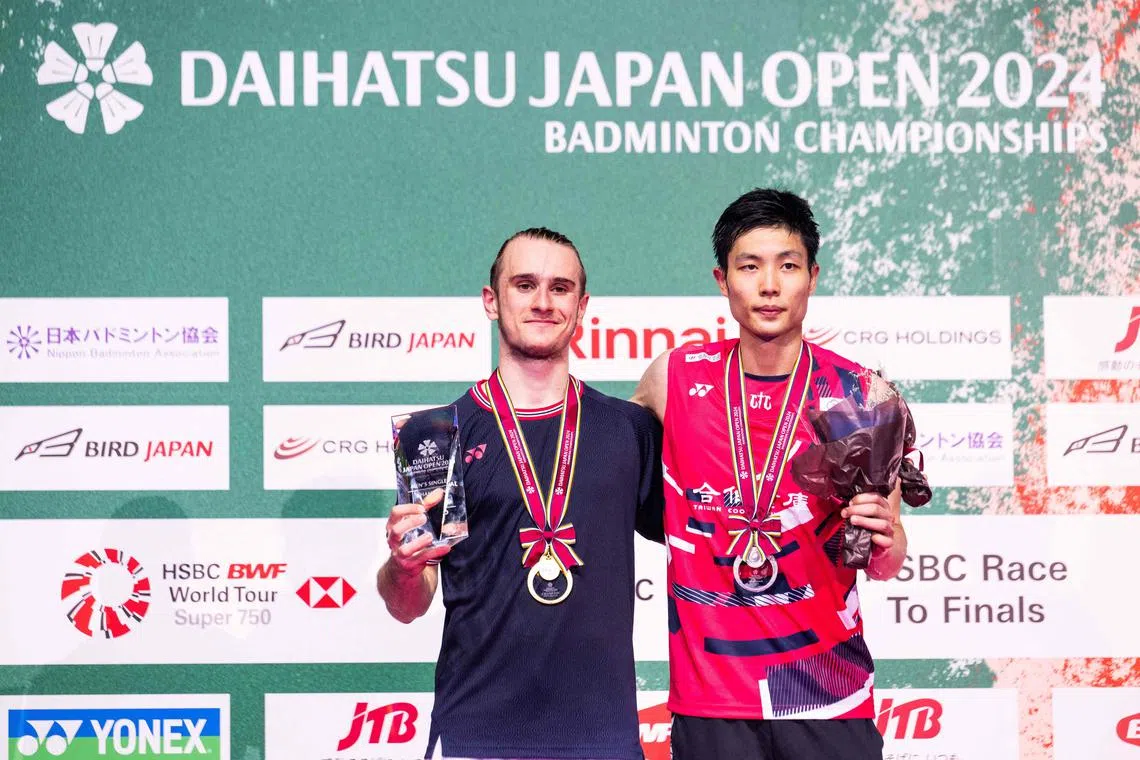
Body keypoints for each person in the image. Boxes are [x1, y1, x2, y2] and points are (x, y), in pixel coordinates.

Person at [632, 188, 906, 759]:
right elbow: (612, 480)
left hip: (828, 694)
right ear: (722, 279)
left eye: (787, 266)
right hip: (712, 699)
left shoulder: (860, 394)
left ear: (813, 276)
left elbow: (885, 559)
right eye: (749, 266)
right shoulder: (674, 378)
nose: (769, 285)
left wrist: (886, 535)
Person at [377, 227, 663, 760]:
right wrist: (404, 567)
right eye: (524, 284)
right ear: (492, 301)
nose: (542, 302)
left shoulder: (629, 430)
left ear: (582, 307)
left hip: (604, 741)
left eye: (560, 288)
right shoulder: (436, 435)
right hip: (478, 737)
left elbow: (710, 541)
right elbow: (406, 606)